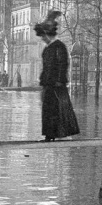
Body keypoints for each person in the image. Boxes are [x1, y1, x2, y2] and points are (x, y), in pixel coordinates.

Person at [35, 9, 80, 142]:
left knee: (56, 110)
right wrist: (43, 81)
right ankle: (49, 135)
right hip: (49, 84)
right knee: (48, 110)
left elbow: (63, 65)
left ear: (48, 34)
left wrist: (59, 81)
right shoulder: (49, 48)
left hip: (56, 85)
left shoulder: (59, 47)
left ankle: (52, 135)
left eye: (43, 35)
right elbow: (46, 67)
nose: (42, 38)